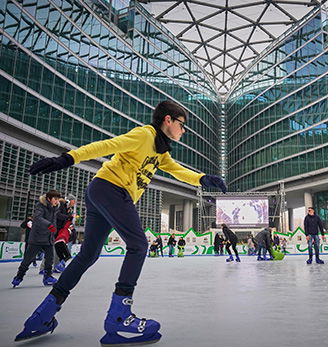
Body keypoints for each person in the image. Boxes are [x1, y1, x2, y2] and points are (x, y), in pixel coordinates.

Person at [15, 100, 227, 345]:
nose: (183, 130)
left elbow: (177, 170)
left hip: (101, 192)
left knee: (88, 255)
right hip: (111, 189)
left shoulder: (160, 150)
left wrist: (203, 178)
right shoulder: (144, 135)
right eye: (182, 124)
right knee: (138, 245)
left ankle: (43, 314)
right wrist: (67, 159)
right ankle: (119, 317)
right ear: (167, 120)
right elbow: (106, 146)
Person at [12, 190, 61, 288]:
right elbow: (37, 218)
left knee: (49, 259)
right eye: (55, 199)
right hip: (37, 238)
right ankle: (19, 276)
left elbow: (54, 221)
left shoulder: (55, 209)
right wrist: (49, 225)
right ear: (48, 198)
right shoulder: (41, 206)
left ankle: (47, 277)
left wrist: (54, 230)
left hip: (48, 238)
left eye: (57, 199)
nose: (57, 201)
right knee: (27, 259)